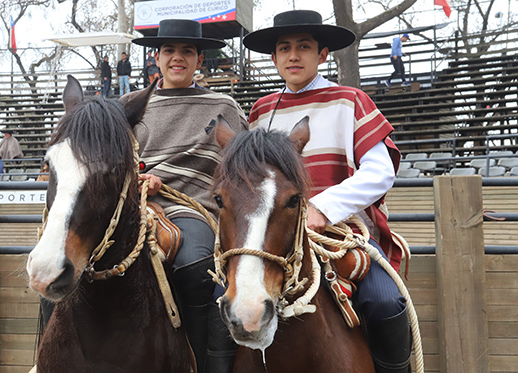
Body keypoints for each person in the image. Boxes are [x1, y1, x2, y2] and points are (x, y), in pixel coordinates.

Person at [244, 10, 409, 373]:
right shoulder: (259, 112)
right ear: (273, 58)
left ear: (322, 55)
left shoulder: (351, 100)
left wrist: (322, 207)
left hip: (343, 231)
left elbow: (380, 172)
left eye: (304, 47)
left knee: (386, 303)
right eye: (284, 48)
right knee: (218, 299)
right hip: (274, 234)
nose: (293, 56)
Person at [127, 19, 248, 373]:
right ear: (156, 57)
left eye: (187, 51)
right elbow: (109, 162)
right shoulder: (130, 104)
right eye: (169, 51)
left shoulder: (223, 106)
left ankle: (198, 361)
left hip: (193, 209)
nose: (177, 58)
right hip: (131, 208)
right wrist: (134, 179)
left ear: (200, 60)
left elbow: (238, 170)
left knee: (197, 268)